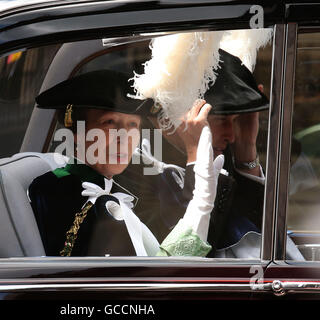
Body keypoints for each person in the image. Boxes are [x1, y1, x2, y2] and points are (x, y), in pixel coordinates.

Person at [28, 69, 223, 257]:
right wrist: (202, 201)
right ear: (77, 134)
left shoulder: (96, 187)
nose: (124, 136)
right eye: (110, 122)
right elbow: (157, 279)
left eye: (132, 125)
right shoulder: (66, 192)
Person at [116, 49, 269, 257]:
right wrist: (196, 157)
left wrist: (247, 154)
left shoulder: (222, 150)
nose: (231, 136)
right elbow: (182, 253)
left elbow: (261, 230)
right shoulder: (126, 163)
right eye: (222, 120)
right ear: (177, 115)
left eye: (234, 121)